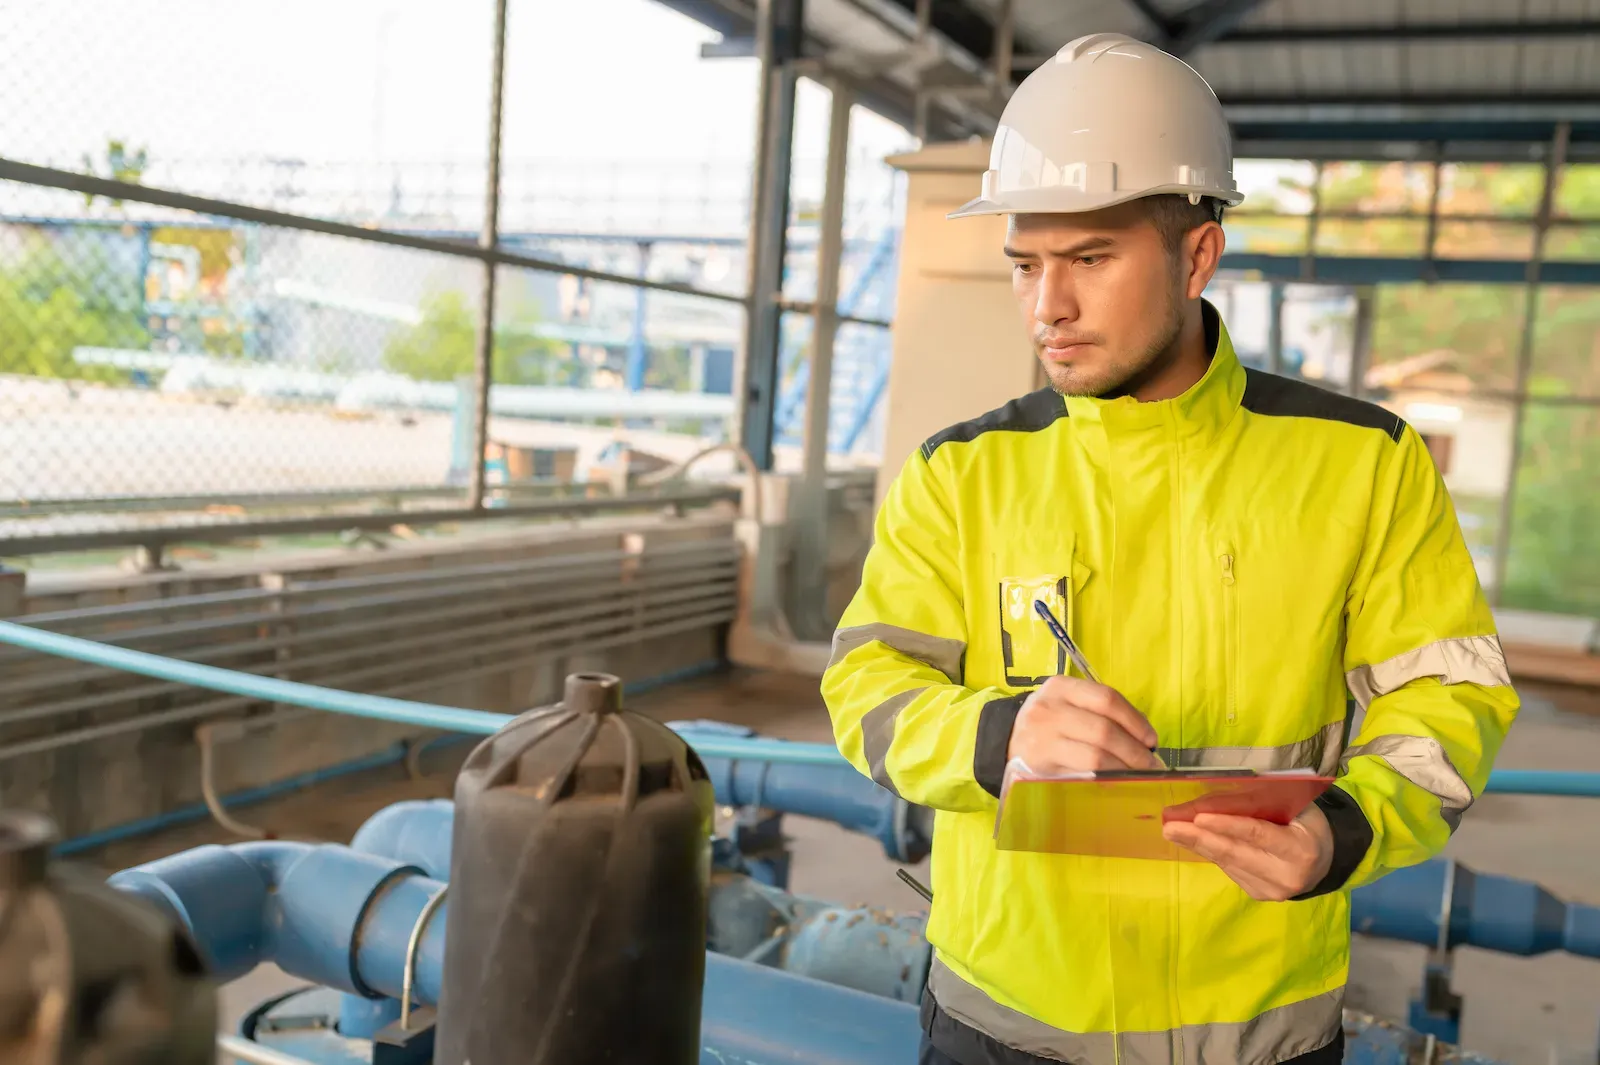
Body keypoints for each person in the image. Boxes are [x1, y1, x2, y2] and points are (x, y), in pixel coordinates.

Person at [820, 32, 1519, 1065]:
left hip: (1260, 1027)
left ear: (1197, 255)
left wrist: (1345, 829)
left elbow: (1448, 699)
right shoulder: (960, 474)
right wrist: (995, 735)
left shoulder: (1361, 463)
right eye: (1025, 265)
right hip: (1008, 1021)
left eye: (1088, 261)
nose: (1045, 307)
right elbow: (866, 689)